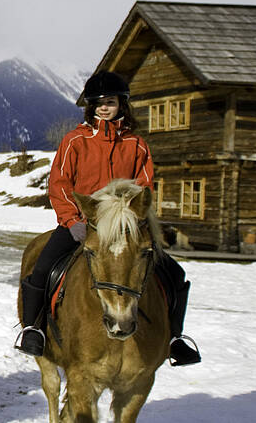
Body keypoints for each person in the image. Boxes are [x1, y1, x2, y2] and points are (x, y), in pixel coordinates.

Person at [14, 71, 201, 366]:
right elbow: (59, 183)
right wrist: (72, 220)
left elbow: (145, 186)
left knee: (174, 275)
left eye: (110, 102)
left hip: (125, 227)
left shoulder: (136, 144)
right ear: (90, 106)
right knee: (43, 268)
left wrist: (134, 217)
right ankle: (33, 328)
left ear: (121, 104)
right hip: (82, 223)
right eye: (98, 102)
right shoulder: (74, 141)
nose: (104, 107)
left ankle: (174, 337)